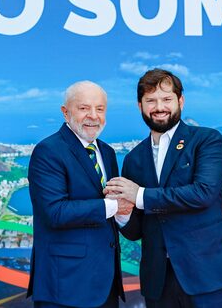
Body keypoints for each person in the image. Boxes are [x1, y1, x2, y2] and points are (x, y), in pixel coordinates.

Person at [105, 69, 222, 307]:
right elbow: (137, 231)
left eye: (166, 99)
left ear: (180, 101)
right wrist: (124, 213)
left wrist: (139, 195)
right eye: (151, 100)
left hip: (207, 274)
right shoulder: (134, 159)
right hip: (158, 281)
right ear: (140, 106)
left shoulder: (206, 140)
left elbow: (203, 194)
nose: (159, 107)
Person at [27, 81, 132, 308]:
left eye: (100, 109)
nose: (93, 116)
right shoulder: (48, 151)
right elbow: (55, 213)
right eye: (84, 108)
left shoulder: (107, 152)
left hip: (105, 284)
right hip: (65, 286)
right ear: (65, 112)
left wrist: (123, 213)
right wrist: (114, 207)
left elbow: (112, 210)